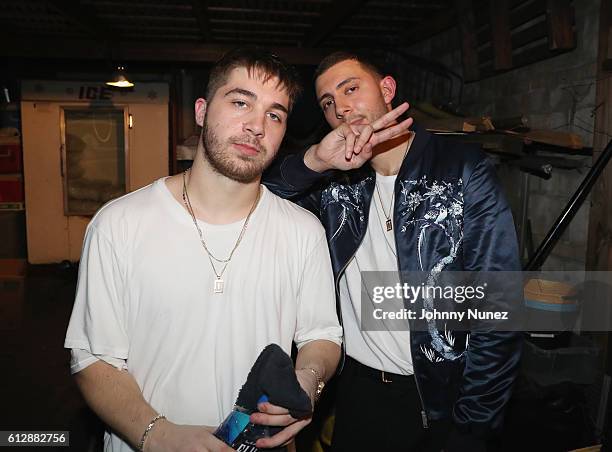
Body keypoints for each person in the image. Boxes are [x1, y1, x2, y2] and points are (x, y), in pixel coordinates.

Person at [64, 47, 343, 452]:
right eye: (241, 102)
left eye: (274, 114)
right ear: (201, 110)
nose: (256, 126)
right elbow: (92, 359)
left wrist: (308, 382)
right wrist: (158, 434)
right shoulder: (119, 225)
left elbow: (322, 336)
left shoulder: (303, 231)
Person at [264, 51, 522, 451]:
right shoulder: (334, 185)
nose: (342, 107)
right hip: (358, 391)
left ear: (387, 89)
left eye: (351, 89)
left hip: (441, 399)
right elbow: (259, 195)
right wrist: (315, 159)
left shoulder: (462, 169)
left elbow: (499, 308)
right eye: (328, 102)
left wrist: (474, 427)